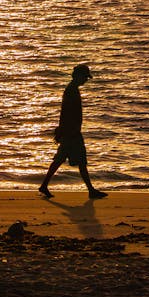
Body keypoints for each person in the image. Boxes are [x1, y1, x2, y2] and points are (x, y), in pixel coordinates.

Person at [39, 63, 107, 200]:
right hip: (72, 132)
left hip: (70, 131)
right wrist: (65, 131)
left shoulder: (72, 89)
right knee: (80, 161)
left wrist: (61, 131)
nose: (86, 80)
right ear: (78, 76)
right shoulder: (71, 91)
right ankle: (91, 190)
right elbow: (66, 113)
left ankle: (45, 185)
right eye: (85, 77)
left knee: (61, 160)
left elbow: (64, 113)